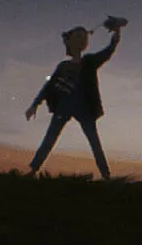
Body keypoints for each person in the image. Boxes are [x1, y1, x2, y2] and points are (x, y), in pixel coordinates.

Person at [25, 16, 126, 179]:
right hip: (63, 106)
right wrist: (34, 104)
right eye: (78, 37)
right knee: (50, 138)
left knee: (94, 141)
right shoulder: (63, 66)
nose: (82, 40)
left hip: (84, 107)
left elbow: (109, 51)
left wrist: (117, 32)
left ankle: (106, 175)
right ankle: (33, 169)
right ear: (70, 42)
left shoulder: (90, 61)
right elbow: (48, 87)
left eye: (83, 37)